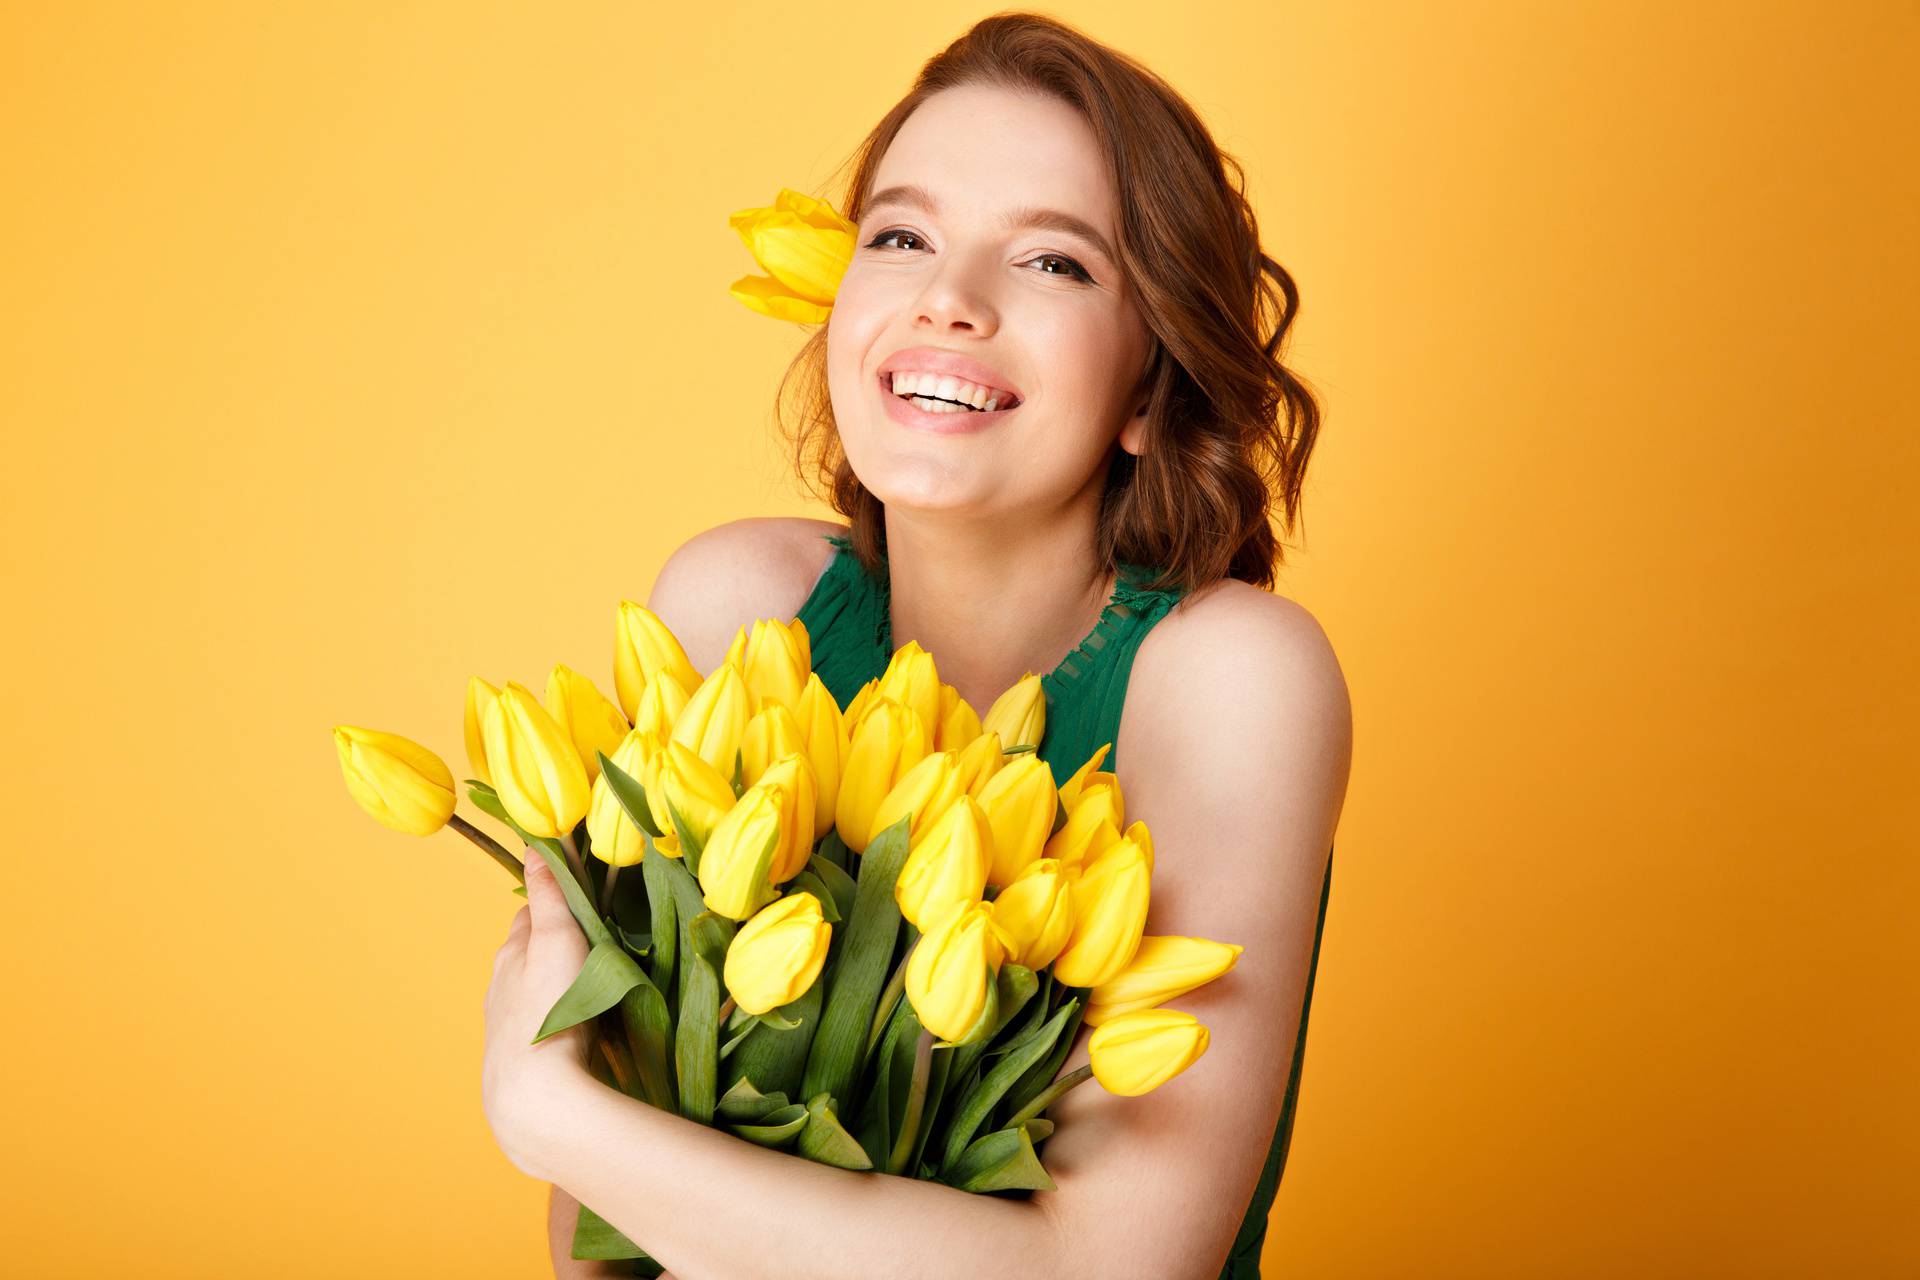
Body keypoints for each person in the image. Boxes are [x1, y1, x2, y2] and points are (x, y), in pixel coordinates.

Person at [483, 13, 1351, 1278]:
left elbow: (1105, 1269)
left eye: (1052, 263)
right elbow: (603, 1250)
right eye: (900, 237)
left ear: (1149, 387)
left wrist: (547, 1114)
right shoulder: (734, 608)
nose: (949, 299)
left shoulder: (1232, 679)